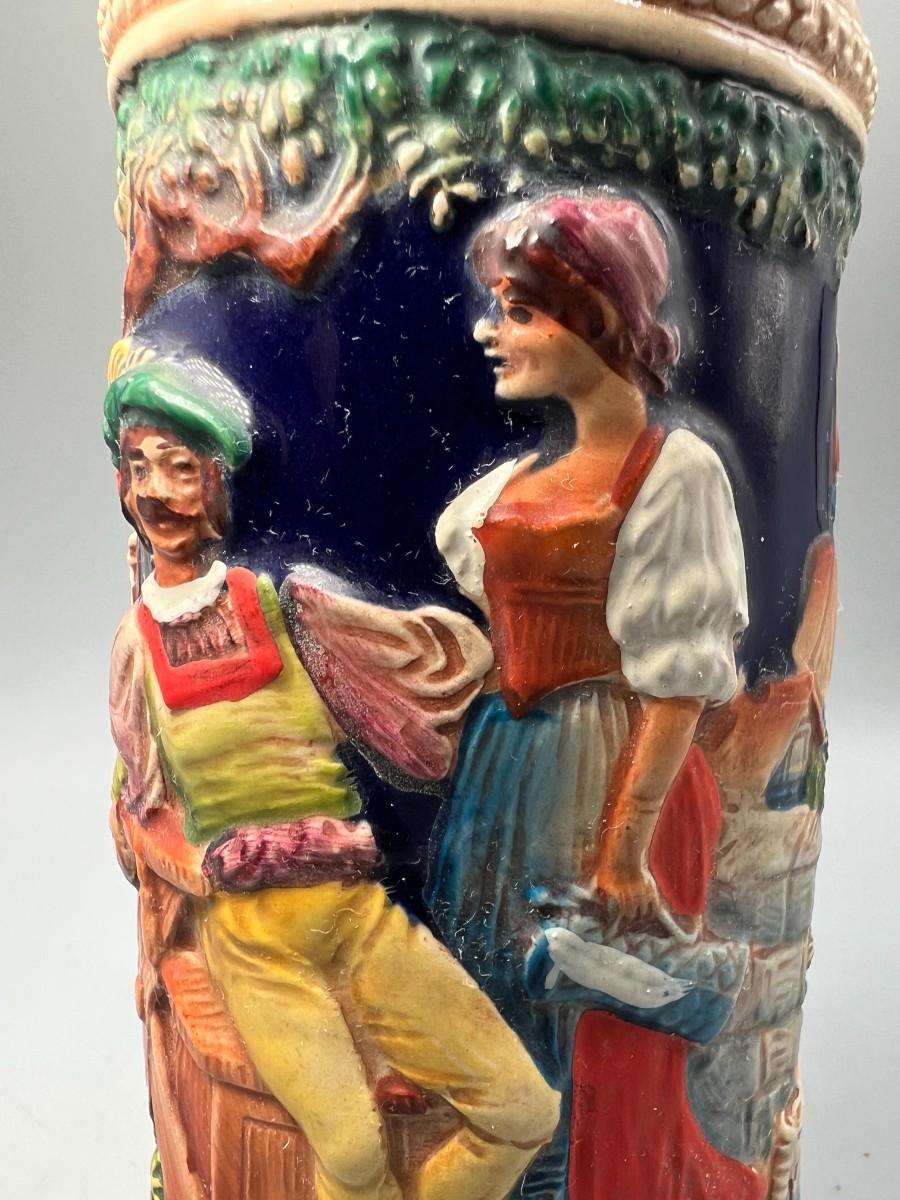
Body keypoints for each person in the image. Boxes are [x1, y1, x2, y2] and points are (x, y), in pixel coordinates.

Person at [104, 351, 560, 1200]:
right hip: (253, 938)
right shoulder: (138, 648)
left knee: (524, 1109)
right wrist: (201, 867)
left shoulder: (286, 612)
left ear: (215, 485)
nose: (159, 492)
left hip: (357, 913)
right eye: (139, 468)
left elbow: (421, 679)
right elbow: (143, 807)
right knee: (350, 1154)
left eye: (180, 469)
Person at [426, 194, 754, 1197]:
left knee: (576, 1009)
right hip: (503, 766)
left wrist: (624, 846)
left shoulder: (672, 473)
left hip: (600, 763)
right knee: (496, 989)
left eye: (521, 311)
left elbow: (674, 688)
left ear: (600, 320)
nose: (492, 331)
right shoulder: (514, 485)